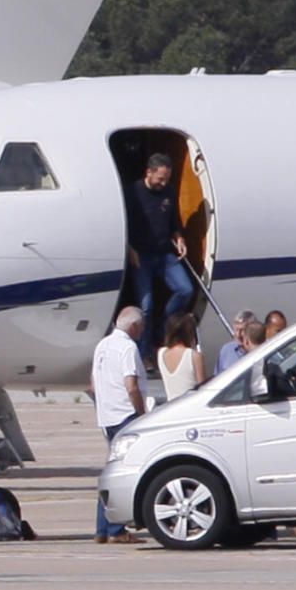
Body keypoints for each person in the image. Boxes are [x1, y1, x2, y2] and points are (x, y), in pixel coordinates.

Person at [125, 153, 194, 363]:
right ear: (149, 172)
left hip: (164, 253)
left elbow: (174, 221)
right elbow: (123, 221)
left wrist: (179, 237)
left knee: (186, 289)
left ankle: (164, 324)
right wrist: (129, 248)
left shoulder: (169, 192)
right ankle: (145, 353)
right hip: (141, 254)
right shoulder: (133, 193)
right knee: (146, 305)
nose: (163, 183)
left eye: (166, 179)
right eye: (160, 179)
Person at [90, 306, 148, 544]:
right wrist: (141, 413)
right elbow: (131, 385)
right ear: (134, 327)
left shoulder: (102, 345)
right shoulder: (127, 347)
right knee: (124, 471)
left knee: (112, 470)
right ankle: (115, 529)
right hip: (125, 416)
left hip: (107, 417)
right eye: (141, 327)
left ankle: (102, 528)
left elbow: (93, 384)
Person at [158, 313, 206, 401]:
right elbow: (202, 387)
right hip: (190, 405)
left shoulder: (161, 353)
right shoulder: (194, 356)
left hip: (170, 406)